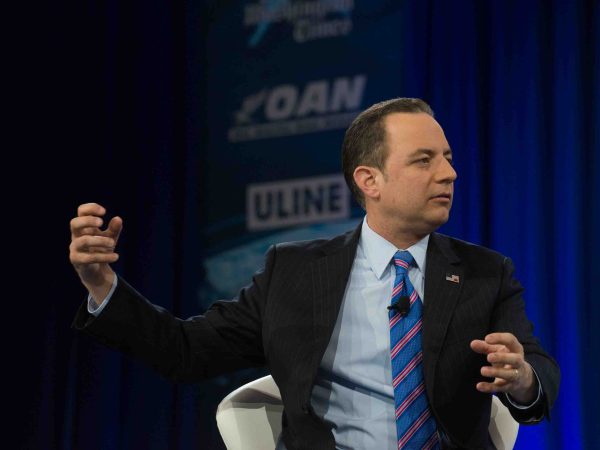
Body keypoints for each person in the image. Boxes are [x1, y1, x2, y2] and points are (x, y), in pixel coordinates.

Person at [70, 98, 560, 450]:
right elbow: (186, 351)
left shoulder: (484, 273)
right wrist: (102, 286)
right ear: (370, 181)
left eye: (448, 159)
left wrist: (521, 379)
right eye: (424, 160)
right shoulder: (295, 271)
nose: (449, 173)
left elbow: (536, 375)